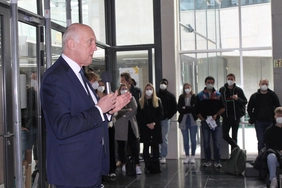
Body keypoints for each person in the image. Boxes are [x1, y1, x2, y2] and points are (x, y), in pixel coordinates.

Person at [40, 23, 131, 188]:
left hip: (89, 169)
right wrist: (99, 109)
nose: (95, 48)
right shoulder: (56, 77)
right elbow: (62, 126)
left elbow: (87, 114)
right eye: (90, 42)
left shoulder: (79, 75)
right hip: (72, 173)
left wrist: (109, 111)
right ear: (71, 44)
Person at [195, 76, 225, 168]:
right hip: (205, 122)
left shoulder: (218, 95)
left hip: (216, 122)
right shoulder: (200, 95)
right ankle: (207, 160)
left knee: (216, 143)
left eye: (212, 82)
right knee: (206, 142)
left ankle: (217, 161)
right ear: (205, 83)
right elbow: (196, 109)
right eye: (208, 82)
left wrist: (216, 115)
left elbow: (223, 108)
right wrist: (203, 119)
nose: (210, 84)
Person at [114, 83, 142, 175]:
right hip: (120, 127)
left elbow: (134, 110)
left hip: (131, 126)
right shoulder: (116, 100)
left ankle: (137, 165)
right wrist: (126, 111)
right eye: (122, 88)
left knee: (135, 147)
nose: (124, 90)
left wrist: (124, 114)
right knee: (121, 147)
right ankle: (124, 164)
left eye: (125, 88)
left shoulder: (132, 98)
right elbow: (116, 112)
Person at [247, 78, 280, 154]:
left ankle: (271, 157)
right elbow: (249, 108)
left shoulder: (273, 95)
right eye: (263, 84)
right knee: (261, 141)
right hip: (259, 122)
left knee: (271, 141)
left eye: (266, 84)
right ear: (259, 84)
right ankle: (261, 159)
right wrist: (253, 118)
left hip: (270, 122)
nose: (264, 85)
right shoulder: (254, 96)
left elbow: (278, 107)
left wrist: (275, 118)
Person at [137, 83, 163, 173]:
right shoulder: (140, 101)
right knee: (146, 146)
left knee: (155, 147)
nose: (149, 91)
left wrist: (153, 123)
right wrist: (147, 124)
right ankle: (147, 166)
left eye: (150, 89)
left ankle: (156, 166)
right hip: (145, 128)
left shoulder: (158, 100)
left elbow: (160, 114)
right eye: (147, 89)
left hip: (155, 127)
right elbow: (139, 116)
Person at [219, 73, 247, 151]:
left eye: (232, 79)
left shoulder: (238, 90)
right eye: (229, 79)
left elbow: (244, 101)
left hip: (235, 116)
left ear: (234, 80)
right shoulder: (222, 90)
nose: (230, 80)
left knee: (234, 136)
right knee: (225, 135)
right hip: (226, 116)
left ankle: (234, 155)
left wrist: (237, 99)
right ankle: (237, 148)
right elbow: (219, 102)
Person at [260, 107, 282, 188]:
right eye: (278, 115)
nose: (280, 117)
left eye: (281, 116)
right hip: (275, 153)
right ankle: (273, 179)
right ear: (275, 116)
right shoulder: (269, 130)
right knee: (271, 157)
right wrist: (279, 151)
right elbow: (269, 145)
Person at [157, 78, 177, 164]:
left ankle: (163, 155)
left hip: (165, 120)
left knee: (164, 138)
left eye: (165, 83)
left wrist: (168, 116)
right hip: (157, 120)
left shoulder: (171, 96)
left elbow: (175, 108)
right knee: (157, 138)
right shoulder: (156, 95)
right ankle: (157, 154)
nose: (163, 84)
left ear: (167, 85)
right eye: (161, 82)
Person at [177, 83, 198, 164]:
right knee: (185, 139)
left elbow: (195, 108)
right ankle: (187, 156)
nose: (187, 89)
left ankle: (193, 156)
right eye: (186, 87)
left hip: (193, 120)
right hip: (183, 121)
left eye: (188, 87)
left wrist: (186, 108)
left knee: (193, 139)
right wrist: (189, 108)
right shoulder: (181, 97)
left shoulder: (195, 97)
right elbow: (179, 108)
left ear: (191, 88)